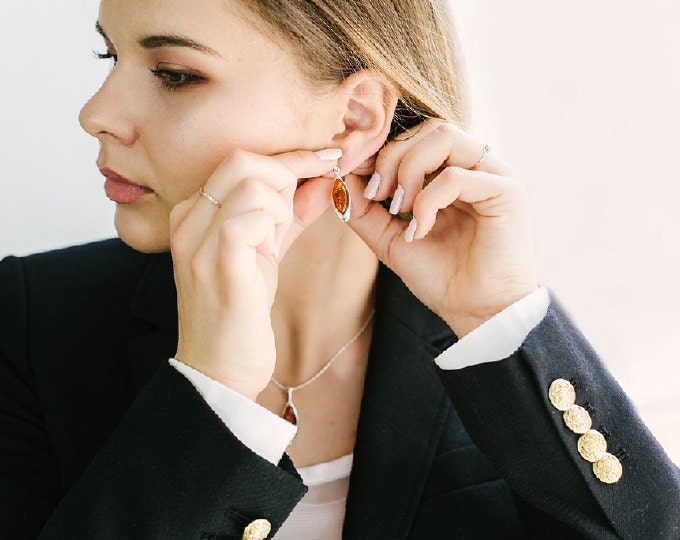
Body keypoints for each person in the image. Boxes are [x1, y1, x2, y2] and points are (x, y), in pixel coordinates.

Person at [0, 0, 678, 538]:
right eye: (108, 54)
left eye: (175, 74)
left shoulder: (499, 353)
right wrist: (212, 399)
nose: (96, 115)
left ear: (353, 119)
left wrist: (498, 319)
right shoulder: (31, 323)